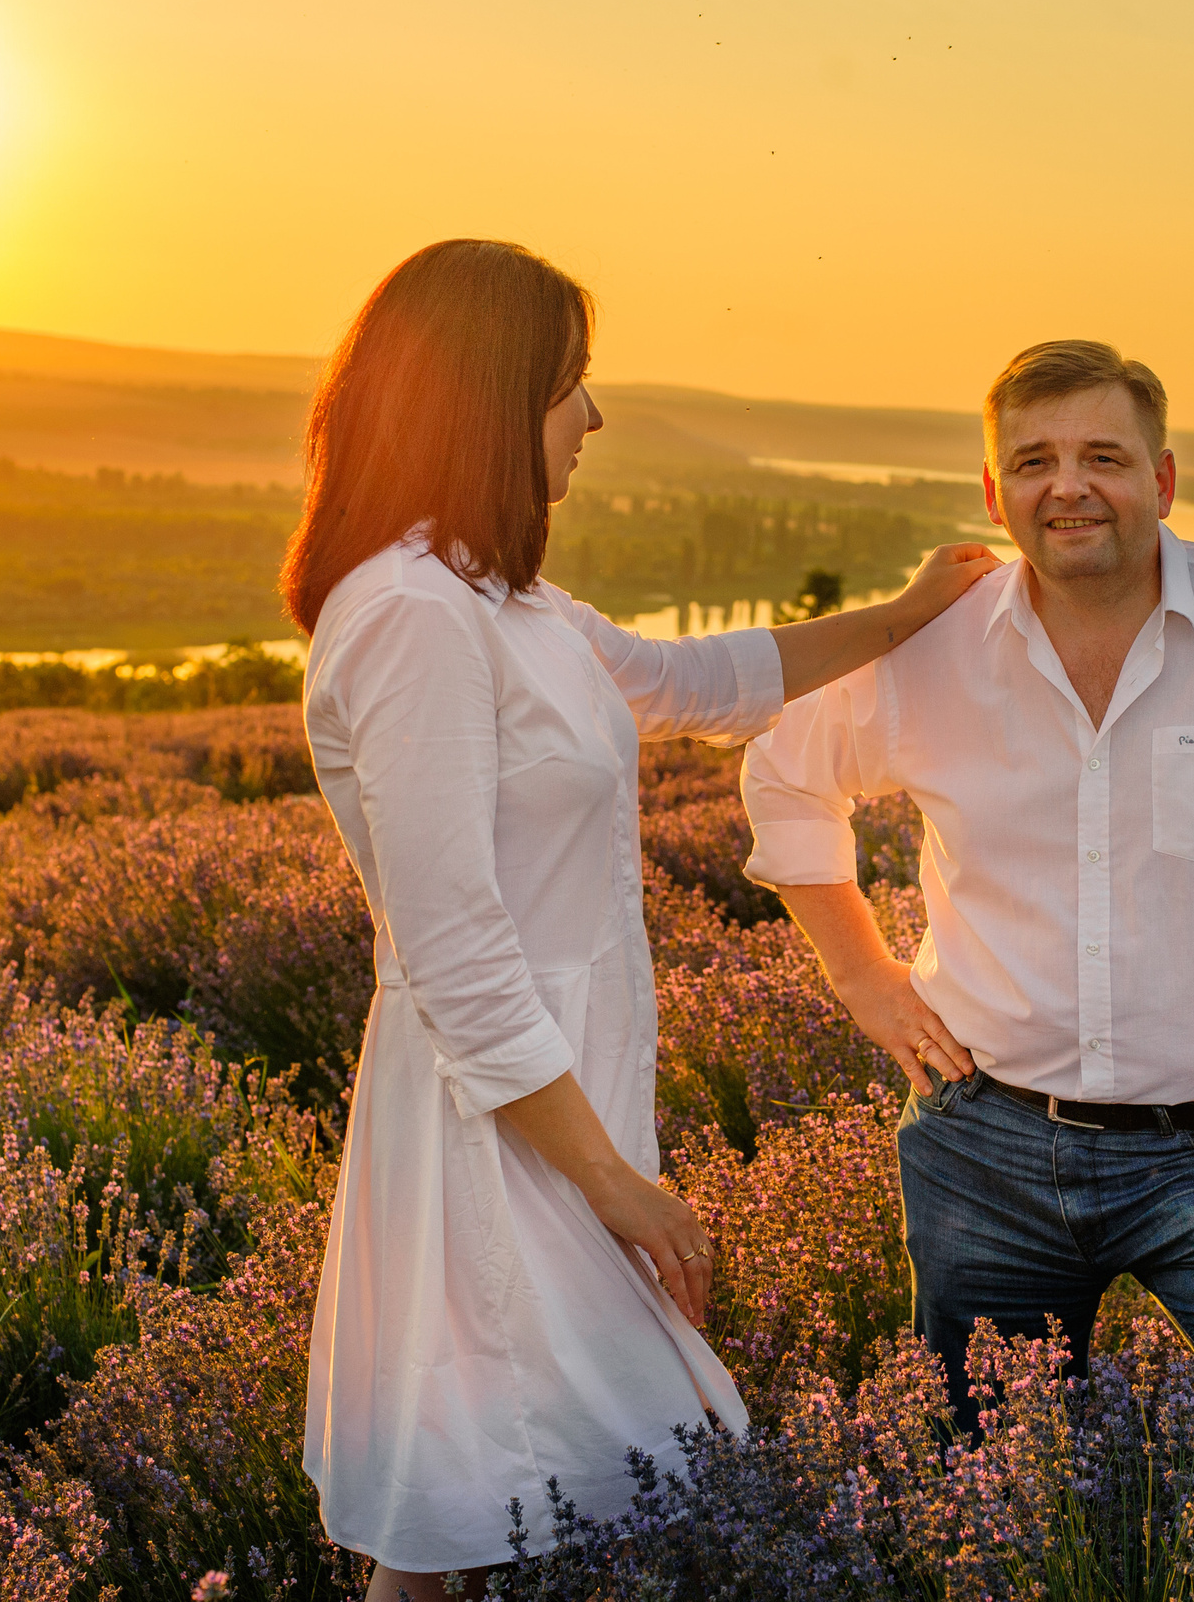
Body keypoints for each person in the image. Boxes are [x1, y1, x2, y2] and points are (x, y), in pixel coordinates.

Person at [283, 239, 998, 1601]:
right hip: (498, 1124)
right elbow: (452, 947)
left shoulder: (506, 603)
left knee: (481, 1504)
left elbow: (693, 679)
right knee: (549, 1478)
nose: (594, 417)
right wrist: (607, 1181)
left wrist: (906, 617)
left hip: (559, 1097)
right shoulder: (410, 617)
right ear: (487, 399)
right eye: (571, 384)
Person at [740, 339, 1194, 1429]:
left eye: (1103, 458)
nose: (1067, 487)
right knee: (991, 1474)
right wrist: (863, 979)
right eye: (1032, 461)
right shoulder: (932, 647)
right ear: (996, 495)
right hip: (982, 1144)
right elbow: (786, 775)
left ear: (1162, 481)